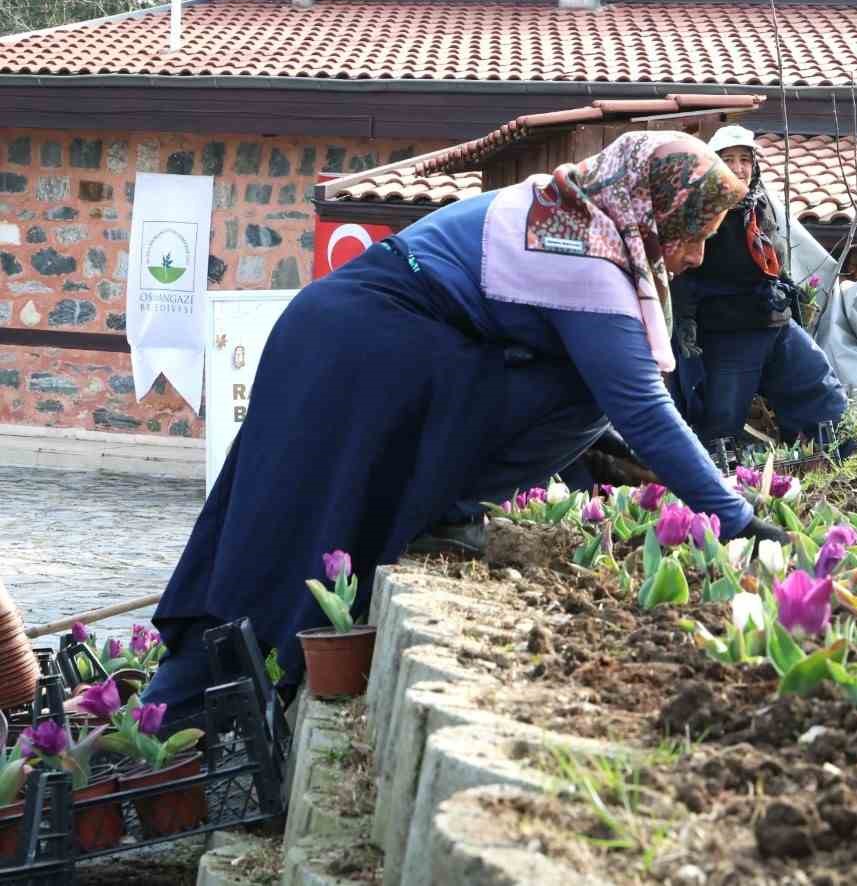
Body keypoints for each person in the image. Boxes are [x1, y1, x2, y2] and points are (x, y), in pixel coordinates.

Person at [143, 131, 788, 723]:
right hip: (356, 353)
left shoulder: (578, 211)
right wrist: (736, 521)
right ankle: (164, 726)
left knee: (280, 532)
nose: (698, 255)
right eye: (690, 231)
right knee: (283, 546)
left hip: (350, 338)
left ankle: (172, 719)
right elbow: (641, 408)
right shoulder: (582, 255)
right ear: (652, 209)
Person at [669, 124, 849, 452]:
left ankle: (840, 461)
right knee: (721, 425)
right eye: (728, 160)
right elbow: (682, 274)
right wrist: (685, 328)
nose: (738, 168)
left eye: (744, 159)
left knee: (821, 392)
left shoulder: (758, 206)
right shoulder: (700, 212)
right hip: (729, 334)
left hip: (775, 324)